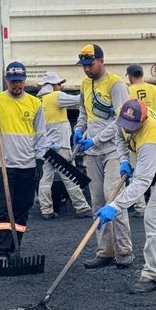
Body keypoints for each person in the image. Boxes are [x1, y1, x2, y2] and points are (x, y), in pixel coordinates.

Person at [95, 99, 156, 293]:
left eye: (133, 127)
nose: (129, 129)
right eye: (126, 125)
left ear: (144, 119)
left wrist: (115, 206)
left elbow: (142, 181)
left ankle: (151, 274)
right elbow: (119, 137)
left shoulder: (151, 136)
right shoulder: (123, 114)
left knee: (154, 216)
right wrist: (124, 160)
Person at [0, 61, 47, 272]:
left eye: (20, 81)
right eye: (13, 81)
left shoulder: (35, 104)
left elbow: (41, 136)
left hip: (27, 165)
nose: (17, 85)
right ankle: (2, 253)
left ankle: (16, 246)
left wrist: (40, 160)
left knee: (22, 209)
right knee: (1, 211)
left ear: (25, 81)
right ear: (7, 81)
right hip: (5, 166)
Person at [74, 43, 135, 269]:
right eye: (84, 66)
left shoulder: (116, 84)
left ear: (101, 61)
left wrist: (97, 139)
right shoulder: (84, 84)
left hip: (112, 149)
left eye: (90, 64)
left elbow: (121, 120)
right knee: (98, 201)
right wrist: (79, 130)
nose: (87, 69)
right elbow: (83, 111)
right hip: (92, 153)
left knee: (113, 198)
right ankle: (105, 251)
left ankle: (124, 250)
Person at [36, 72, 93, 220]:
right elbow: (78, 101)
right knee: (70, 176)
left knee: (45, 178)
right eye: (58, 84)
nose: (60, 87)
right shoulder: (56, 96)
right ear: (51, 85)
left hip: (46, 147)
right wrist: (88, 90)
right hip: (60, 146)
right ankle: (82, 208)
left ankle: (46, 209)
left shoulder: (39, 100)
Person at [125, 64, 156, 217]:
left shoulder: (127, 91)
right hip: (155, 135)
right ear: (142, 74)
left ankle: (140, 208)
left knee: (137, 173)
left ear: (130, 77)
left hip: (136, 136)